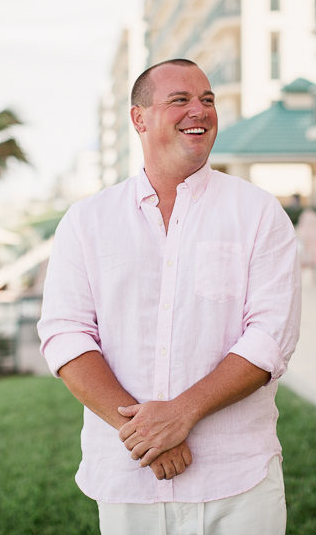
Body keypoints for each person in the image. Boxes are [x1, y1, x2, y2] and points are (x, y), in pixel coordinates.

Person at [37, 58, 301, 534]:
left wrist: (181, 414)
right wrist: (145, 434)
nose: (199, 110)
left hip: (237, 481)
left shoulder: (259, 213)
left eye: (207, 100)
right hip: (127, 478)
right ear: (138, 118)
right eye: (180, 99)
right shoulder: (87, 221)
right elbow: (65, 336)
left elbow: (270, 339)